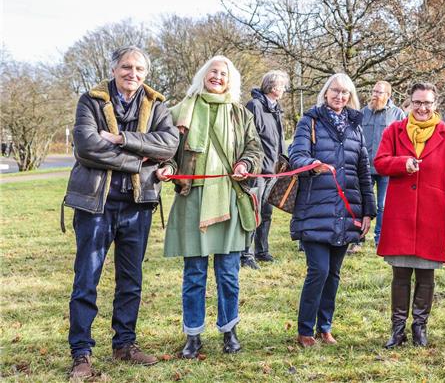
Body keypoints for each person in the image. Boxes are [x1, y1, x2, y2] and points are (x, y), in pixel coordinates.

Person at [64, 46, 179, 379]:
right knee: (87, 279)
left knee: (131, 281)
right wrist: (139, 163)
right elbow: (86, 146)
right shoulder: (91, 101)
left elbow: (168, 145)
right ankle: (81, 353)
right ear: (114, 69)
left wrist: (119, 138)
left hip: (137, 205)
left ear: (146, 73)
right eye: (126, 67)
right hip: (95, 205)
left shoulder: (157, 104)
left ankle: (125, 344)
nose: (133, 74)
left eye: (140, 69)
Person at [157, 56, 263, 359]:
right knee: (194, 273)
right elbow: (168, 149)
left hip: (229, 198)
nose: (217, 77)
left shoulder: (241, 114)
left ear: (231, 81)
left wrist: (245, 164)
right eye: (213, 72)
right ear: (203, 75)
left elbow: (254, 149)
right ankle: (193, 335)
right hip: (193, 199)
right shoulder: (180, 110)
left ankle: (229, 330)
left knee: (228, 272)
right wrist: (167, 166)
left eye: (223, 74)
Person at [375, 82, 445, 348]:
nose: (422, 108)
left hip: (432, 215)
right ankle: (397, 329)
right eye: (417, 102)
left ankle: (419, 328)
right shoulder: (395, 130)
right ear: (409, 104)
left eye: (427, 103)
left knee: (426, 275)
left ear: (435, 104)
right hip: (400, 214)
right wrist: (401, 164)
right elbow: (380, 162)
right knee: (400, 274)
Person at [288, 73, 377, 347]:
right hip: (315, 208)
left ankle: (324, 327)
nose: (340, 97)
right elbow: (296, 156)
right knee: (319, 270)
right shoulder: (310, 121)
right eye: (335, 91)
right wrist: (313, 163)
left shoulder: (355, 126)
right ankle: (305, 330)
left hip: (346, 210)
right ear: (326, 93)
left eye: (345, 93)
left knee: (334, 273)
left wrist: (368, 211)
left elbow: (364, 171)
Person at [240, 70, 288, 269]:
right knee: (253, 211)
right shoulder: (255, 106)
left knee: (266, 213)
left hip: (273, 170)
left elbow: (278, 139)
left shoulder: (276, 108)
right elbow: (249, 137)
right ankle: (246, 254)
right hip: (258, 170)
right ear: (274, 86)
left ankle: (262, 251)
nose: (284, 89)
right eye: (283, 85)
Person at [357, 80, 404, 252]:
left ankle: (380, 239)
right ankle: (359, 239)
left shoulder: (397, 115)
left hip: (387, 168)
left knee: (383, 205)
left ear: (388, 95)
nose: (375, 95)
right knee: (363, 203)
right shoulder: (363, 113)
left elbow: (403, 141)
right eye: (374, 91)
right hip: (366, 167)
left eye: (379, 92)